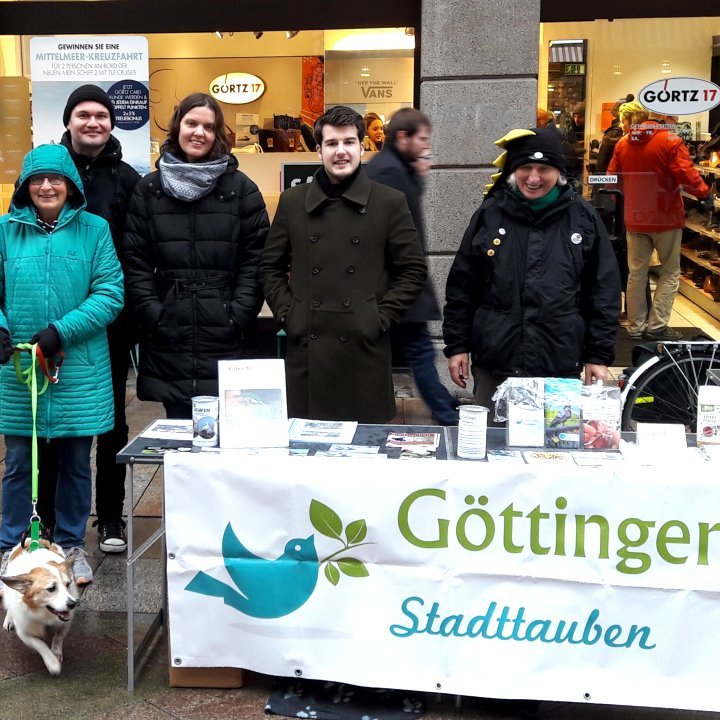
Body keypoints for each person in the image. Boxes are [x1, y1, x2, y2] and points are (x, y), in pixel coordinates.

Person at [0, 144, 124, 588]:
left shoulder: (95, 231)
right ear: (25, 187)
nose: (47, 187)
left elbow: (110, 293)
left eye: (56, 179)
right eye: (38, 179)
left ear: (71, 185)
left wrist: (61, 331)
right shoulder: (5, 231)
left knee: (76, 463)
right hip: (21, 367)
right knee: (19, 462)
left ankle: (72, 545)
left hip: (78, 368)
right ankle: (11, 547)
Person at [260, 105, 427, 423]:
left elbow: (412, 270)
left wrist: (378, 318)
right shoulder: (293, 201)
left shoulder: (389, 202)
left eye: (349, 142)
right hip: (308, 351)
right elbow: (270, 266)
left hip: (364, 351)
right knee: (305, 447)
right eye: (332, 143)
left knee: (364, 448)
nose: (341, 151)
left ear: (361, 147)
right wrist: (289, 314)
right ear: (318, 150)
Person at [443, 127, 621, 416]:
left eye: (544, 168)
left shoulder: (583, 218)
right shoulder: (490, 215)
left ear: (559, 171)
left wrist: (598, 355)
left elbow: (604, 292)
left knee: (556, 440)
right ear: (514, 170)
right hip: (496, 361)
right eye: (526, 167)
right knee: (494, 439)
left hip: (559, 364)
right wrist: (457, 346)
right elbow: (463, 286)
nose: (534, 178)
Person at [34, 84, 141, 555]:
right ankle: (49, 516)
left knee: (111, 421)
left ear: (112, 122)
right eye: (83, 114)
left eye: (101, 114)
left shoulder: (128, 180)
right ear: (68, 121)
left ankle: (111, 516)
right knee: (52, 421)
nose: (93, 122)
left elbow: (137, 251)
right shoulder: (47, 172)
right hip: (50, 319)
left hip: (107, 319)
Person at [123, 93, 269, 418]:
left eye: (208, 126)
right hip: (169, 328)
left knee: (232, 426)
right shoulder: (150, 190)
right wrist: (152, 311)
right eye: (191, 123)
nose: (199, 133)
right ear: (177, 127)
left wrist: (239, 312)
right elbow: (135, 260)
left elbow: (256, 257)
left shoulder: (241, 189)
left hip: (225, 326)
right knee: (177, 429)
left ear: (217, 134)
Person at [366, 108, 458, 425]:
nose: (426, 146)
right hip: (398, 282)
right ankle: (444, 410)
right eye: (423, 139)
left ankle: (443, 405)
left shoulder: (392, 167)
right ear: (403, 137)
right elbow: (401, 231)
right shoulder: (389, 171)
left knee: (414, 349)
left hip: (396, 282)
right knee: (419, 350)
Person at [607, 103, 709, 340]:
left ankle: (635, 326)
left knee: (636, 274)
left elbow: (612, 179)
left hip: (635, 218)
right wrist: (704, 193)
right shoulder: (670, 141)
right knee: (670, 272)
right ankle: (656, 327)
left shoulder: (624, 142)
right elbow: (686, 174)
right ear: (666, 118)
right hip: (666, 217)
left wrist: (626, 200)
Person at [594, 93, 634, 174]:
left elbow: (603, 160)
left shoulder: (613, 132)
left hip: (612, 174)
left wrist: (598, 179)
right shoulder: (635, 132)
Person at [560, 101, 585, 186]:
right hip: (572, 163)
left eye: (580, 117)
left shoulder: (588, 128)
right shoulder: (569, 128)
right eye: (575, 116)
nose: (576, 120)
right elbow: (566, 145)